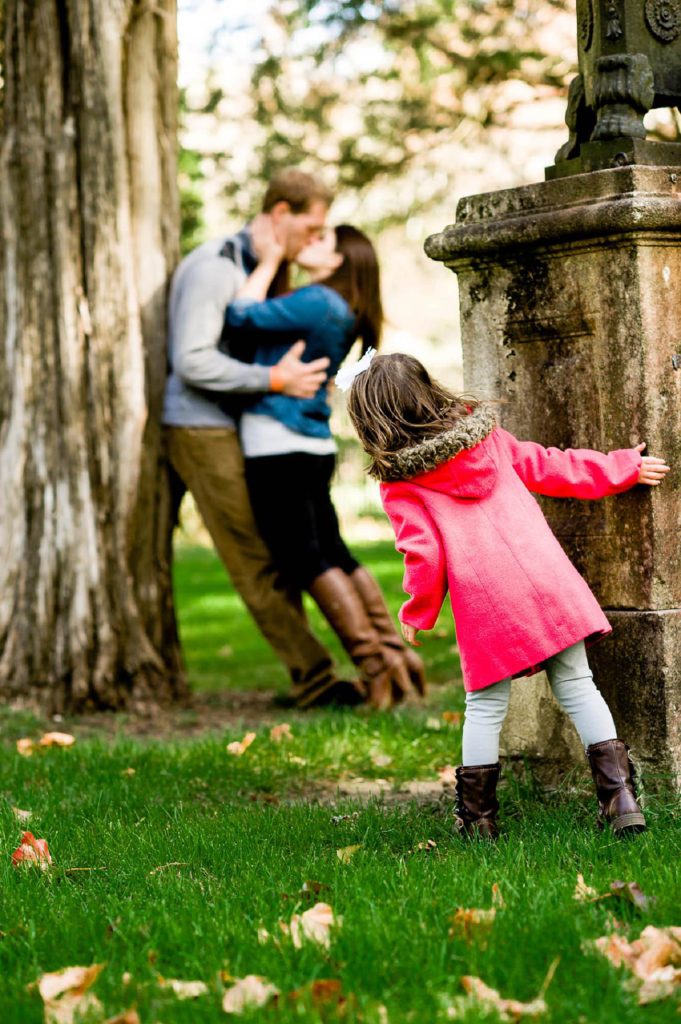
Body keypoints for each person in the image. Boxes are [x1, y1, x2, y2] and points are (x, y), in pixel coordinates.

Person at [346, 352, 671, 837]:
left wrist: (418, 612)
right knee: (578, 685)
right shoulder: (488, 441)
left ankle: (478, 820)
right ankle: (621, 801)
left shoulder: (401, 485)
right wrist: (622, 467)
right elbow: (550, 467)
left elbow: (425, 556)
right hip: (547, 580)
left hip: (488, 604)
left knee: (484, 707)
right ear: (429, 392)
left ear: (373, 421)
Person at [163, 169, 364, 707]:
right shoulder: (215, 268)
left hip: (236, 424)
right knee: (255, 555)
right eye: (313, 226)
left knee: (277, 549)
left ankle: (320, 672)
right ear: (281, 215)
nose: (317, 239)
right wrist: (275, 380)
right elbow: (191, 360)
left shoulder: (259, 268)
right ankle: (317, 681)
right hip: (199, 427)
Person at [221, 225, 426, 708]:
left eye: (320, 241)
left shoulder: (317, 301)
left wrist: (270, 260)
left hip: (277, 441)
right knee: (332, 552)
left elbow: (239, 316)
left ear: (340, 261)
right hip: (307, 444)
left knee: (306, 559)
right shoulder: (341, 307)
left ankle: (376, 669)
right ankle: (395, 660)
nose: (307, 243)